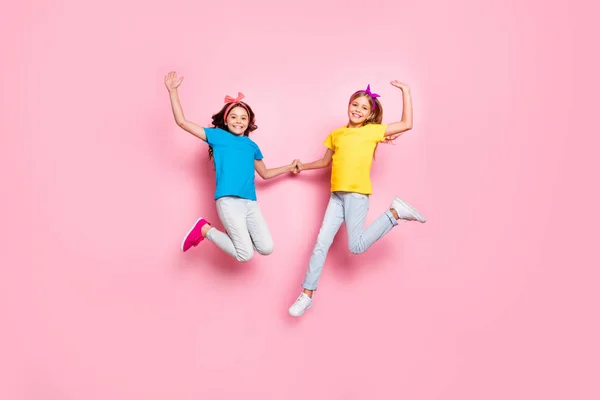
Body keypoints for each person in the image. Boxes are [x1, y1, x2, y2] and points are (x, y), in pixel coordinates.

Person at [288, 81, 426, 317]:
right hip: (336, 196)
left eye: (364, 108)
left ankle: (394, 213)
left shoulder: (372, 131)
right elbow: (324, 162)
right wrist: (302, 166)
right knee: (321, 243)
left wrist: (406, 92)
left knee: (355, 247)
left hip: (356, 195)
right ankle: (307, 294)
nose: (358, 110)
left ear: (370, 114)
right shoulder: (336, 134)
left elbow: (407, 124)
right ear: (348, 105)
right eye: (355, 104)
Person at [165, 71, 298, 262]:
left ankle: (235, 236)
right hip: (228, 201)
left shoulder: (252, 146)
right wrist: (173, 92)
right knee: (245, 255)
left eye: (243, 118)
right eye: (234, 117)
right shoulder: (218, 136)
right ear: (226, 120)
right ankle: (205, 229)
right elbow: (182, 122)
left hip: (250, 203)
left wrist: (289, 167)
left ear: (249, 123)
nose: (238, 121)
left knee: (267, 247)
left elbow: (265, 173)